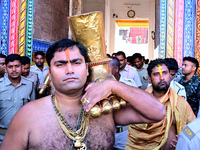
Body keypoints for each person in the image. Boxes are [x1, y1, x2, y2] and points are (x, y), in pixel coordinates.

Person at [0, 39, 166, 149]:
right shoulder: (28, 115)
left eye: (76, 62)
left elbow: (158, 112)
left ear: (87, 69)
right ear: (49, 73)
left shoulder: (106, 109)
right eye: (60, 64)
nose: (70, 69)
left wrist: (113, 85)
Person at [126, 59, 196, 150]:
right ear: (149, 79)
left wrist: (184, 141)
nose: (162, 78)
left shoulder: (180, 102)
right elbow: (134, 135)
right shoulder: (140, 103)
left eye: (165, 73)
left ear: (170, 76)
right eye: (156, 74)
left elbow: (193, 129)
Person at [0, 54, 35, 144]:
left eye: (17, 66)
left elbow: (33, 110)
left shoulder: (29, 84)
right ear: (5, 68)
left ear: (22, 67)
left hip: (23, 136)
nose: (14, 70)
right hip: (2, 136)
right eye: (10, 67)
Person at [109, 57, 136, 150]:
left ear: (116, 69)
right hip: (105, 133)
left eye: (106, 68)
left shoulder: (129, 85)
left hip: (123, 135)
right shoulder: (99, 85)